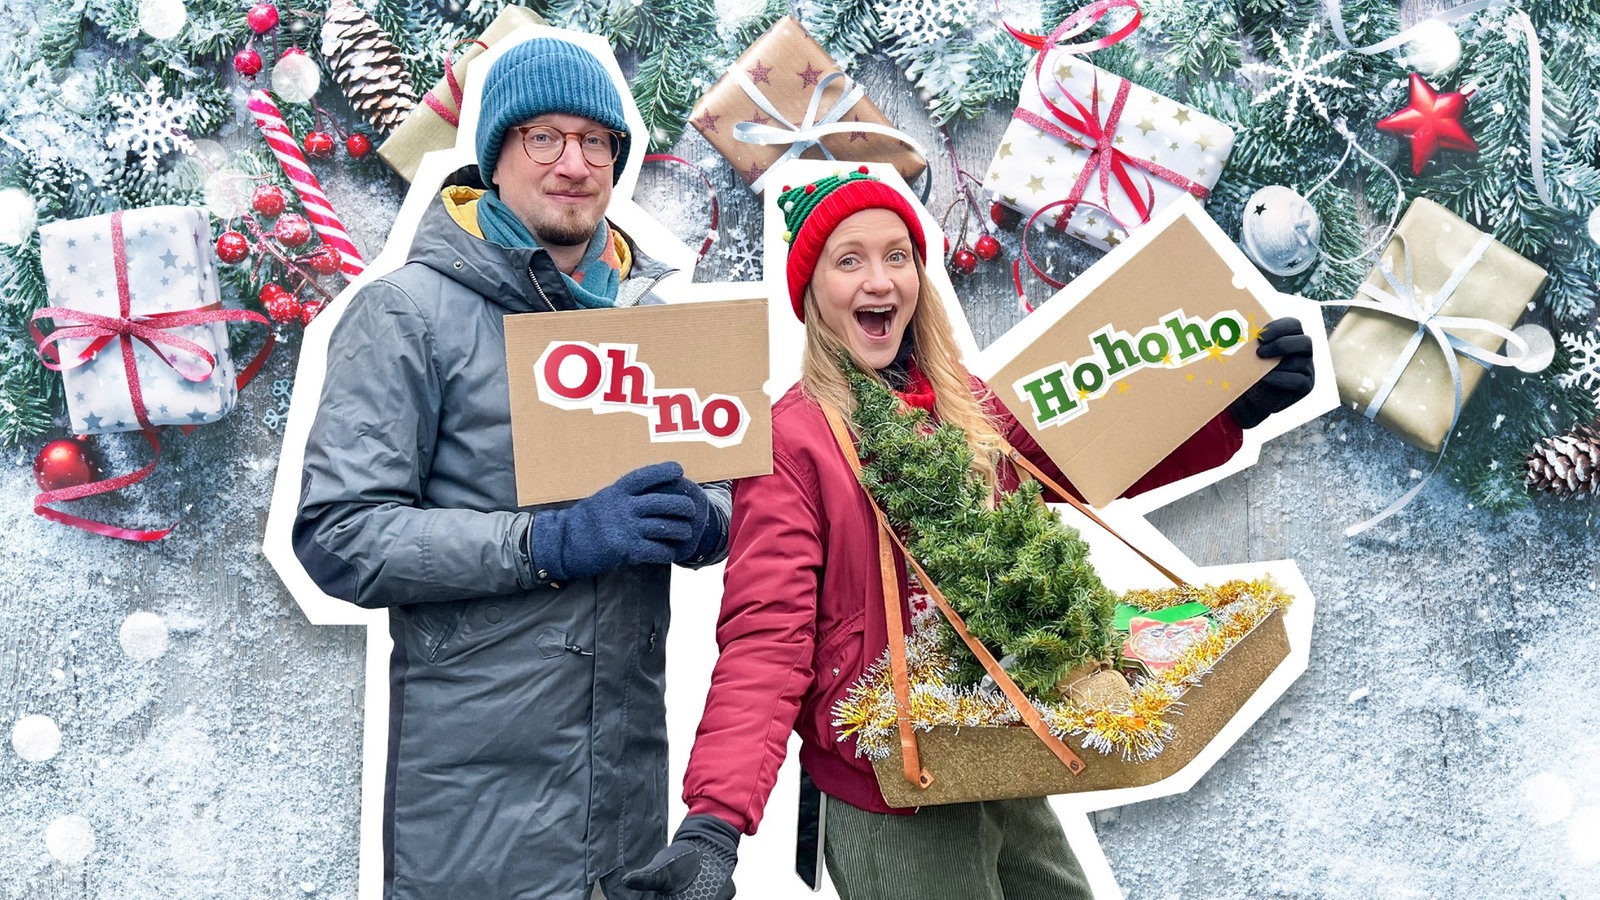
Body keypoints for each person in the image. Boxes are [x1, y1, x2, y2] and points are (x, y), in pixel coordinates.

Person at [622, 169, 1313, 899]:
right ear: (813, 294)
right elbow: (767, 636)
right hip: (890, 785)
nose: (878, 280)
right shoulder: (793, 442)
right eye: (848, 260)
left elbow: (1083, 458)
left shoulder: (964, 405)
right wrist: (713, 823)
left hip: (996, 747)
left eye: (896, 256)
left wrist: (1230, 408)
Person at [292, 37, 730, 900]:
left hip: (627, 791)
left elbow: (720, 484)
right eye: (544, 138)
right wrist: (546, 541)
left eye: (596, 141)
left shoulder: (658, 326)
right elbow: (340, 536)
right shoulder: (406, 313)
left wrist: (709, 516)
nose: (574, 164)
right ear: (495, 157)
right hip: (479, 806)